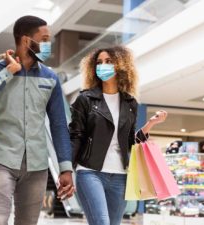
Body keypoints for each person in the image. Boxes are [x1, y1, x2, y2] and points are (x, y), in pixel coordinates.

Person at [0, 15, 74, 225]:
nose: (48, 44)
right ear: (26, 40)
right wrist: (8, 72)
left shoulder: (50, 78)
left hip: (37, 165)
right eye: (44, 39)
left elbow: (59, 124)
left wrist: (65, 168)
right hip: (2, 159)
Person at [69, 45, 168, 225]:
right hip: (90, 172)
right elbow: (76, 136)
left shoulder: (130, 103)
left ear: (121, 66)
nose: (102, 66)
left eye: (108, 61)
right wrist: (66, 170)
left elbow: (130, 141)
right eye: (99, 62)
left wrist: (151, 123)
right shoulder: (85, 99)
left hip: (120, 175)